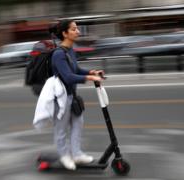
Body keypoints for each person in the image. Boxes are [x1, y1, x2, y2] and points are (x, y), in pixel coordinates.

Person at [52, 19, 104, 170]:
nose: (78, 31)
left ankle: (77, 154)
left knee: (77, 124)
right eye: (74, 29)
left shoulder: (70, 50)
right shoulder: (58, 54)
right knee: (61, 129)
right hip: (60, 99)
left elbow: (76, 69)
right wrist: (89, 78)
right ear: (65, 33)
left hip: (72, 96)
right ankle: (64, 156)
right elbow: (68, 76)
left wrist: (91, 72)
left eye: (77, 29)